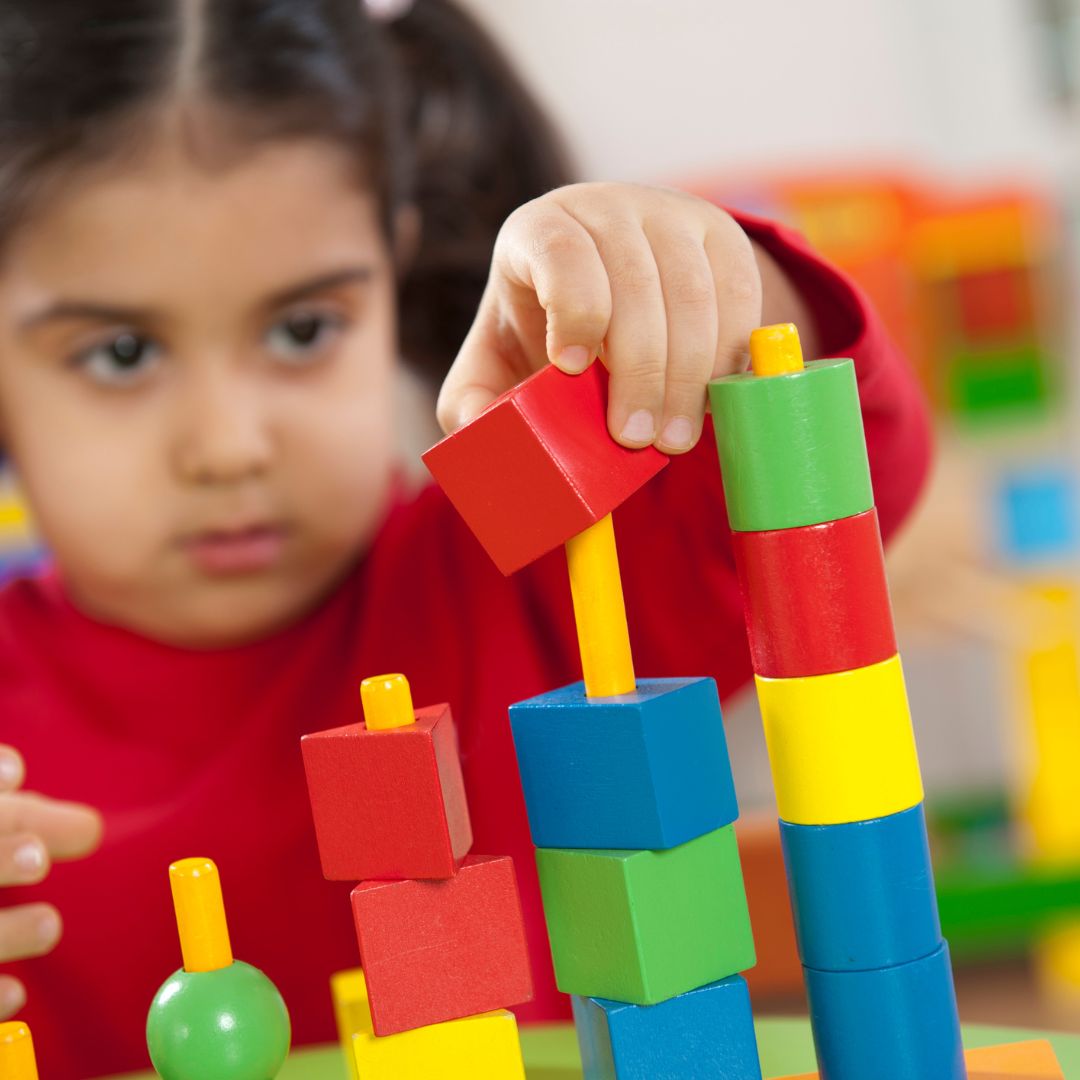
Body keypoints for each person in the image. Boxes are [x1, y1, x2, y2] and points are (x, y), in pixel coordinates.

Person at [0, 0, 930, 1074]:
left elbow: (853, 465)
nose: (228, 447)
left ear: (390, 266)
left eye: (305, 329)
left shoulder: (526, 568)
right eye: (119, 354)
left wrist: (694, 286)